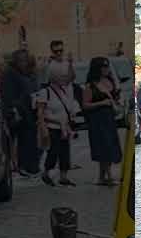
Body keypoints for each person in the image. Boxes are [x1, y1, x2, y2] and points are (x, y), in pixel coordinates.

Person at [37, 63, 79, 186]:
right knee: (53, 151)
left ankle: (63, 177)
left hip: (64, 128)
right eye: (61, 76)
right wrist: (43, 128)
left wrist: (71, 63)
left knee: (65, 151)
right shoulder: (45, 92)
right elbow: (40, 112)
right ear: (54, 77)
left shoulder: (65, 91)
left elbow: (72, 78)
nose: (64, 78)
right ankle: (46, 172)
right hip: (52, 127)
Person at [82, 57, 122, 186]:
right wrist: (102, 103)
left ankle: (104, 176)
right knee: (102, 147)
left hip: (109, 118)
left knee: (110, 145)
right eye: (104, 67)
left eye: (107, 66)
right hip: (97, 120)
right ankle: (105, 176)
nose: (107, 69)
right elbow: (85, 105)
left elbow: (116, 93)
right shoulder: (90, 85)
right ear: (97, 69)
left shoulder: (109, 81)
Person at [1, 49, 41, 176]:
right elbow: (8, 95)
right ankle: (20, 166)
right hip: (17, 113)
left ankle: (30, 166)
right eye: (22, 60)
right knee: (16, 141)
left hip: (28, 112)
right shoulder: (10, 74)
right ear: (16, 61)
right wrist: (14, 108)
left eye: (26, 59)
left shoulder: (26, 73)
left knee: (29, 140)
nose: (24, 62)